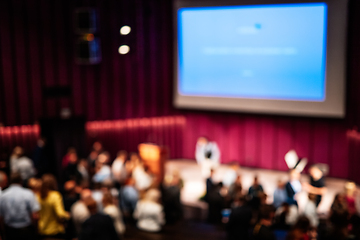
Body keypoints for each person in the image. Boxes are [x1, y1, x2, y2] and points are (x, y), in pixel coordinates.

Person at [0, 173, 40, 240]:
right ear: (21, 181)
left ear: (10, 181)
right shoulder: (29, 194)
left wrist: (3, 231)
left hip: (10, 230)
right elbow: (35, 216)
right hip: (26, 230)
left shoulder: (4, 195)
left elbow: (1, 217)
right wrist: (35, 230)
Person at [36, 174, 70, 238]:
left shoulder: (37, 196)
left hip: (42, 231)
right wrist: (67, 215)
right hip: (55, 231)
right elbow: (60, 214)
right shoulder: (55, 195)